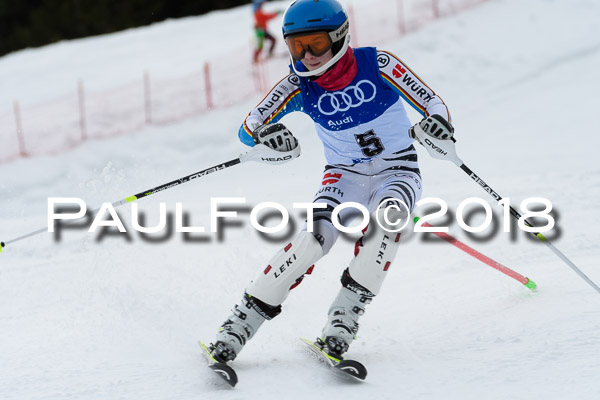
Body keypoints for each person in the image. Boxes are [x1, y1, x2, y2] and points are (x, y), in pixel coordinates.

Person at [208, 0, 453, 363]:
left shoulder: (377, 64)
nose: (307, 55)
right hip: (344, 176)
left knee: (388, 223)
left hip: (397, 170)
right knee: (312, 240)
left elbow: (433, 104)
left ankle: (344, 319)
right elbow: (248, 129)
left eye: (317, 44)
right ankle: (239, 325)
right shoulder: (298, 85)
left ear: (339, 37)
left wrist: (437, 123)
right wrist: (267, 135)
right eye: (296, 45)